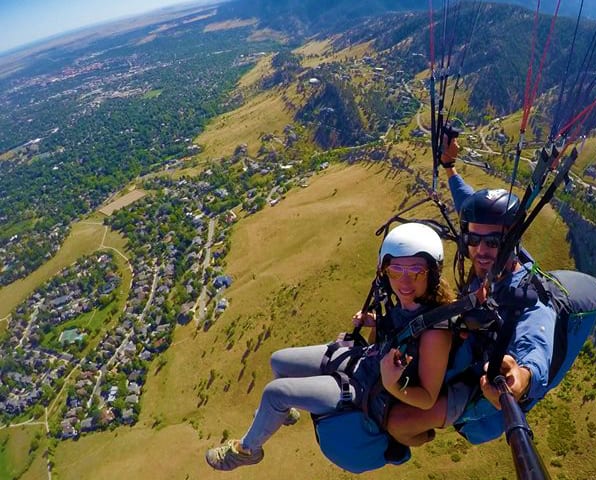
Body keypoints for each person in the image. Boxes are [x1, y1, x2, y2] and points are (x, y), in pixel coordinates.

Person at [205, 222, 456, 470]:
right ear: (385, 272)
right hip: (363, 361)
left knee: (275, 393)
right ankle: (281, 414)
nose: (404, 280)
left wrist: (393, 384)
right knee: (278, 360)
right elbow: (402, 331)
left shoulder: (436, 331)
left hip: (368, 390)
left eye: (416, 271)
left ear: (432, 273)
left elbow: (426, 400)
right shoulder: (405, 304)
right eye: (395, 270)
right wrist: (376, 323)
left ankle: (247, 450)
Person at [386, 136, 557, 446]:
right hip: (461, 347)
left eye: (493, 243)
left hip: (476, 381)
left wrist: (519, 379)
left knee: (398, 423)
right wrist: (449, 167)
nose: (480, 250)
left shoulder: (529, 299)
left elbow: (536, 350)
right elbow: (467, 203)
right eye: (473, 241)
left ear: (511, 243)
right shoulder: (487, 258)